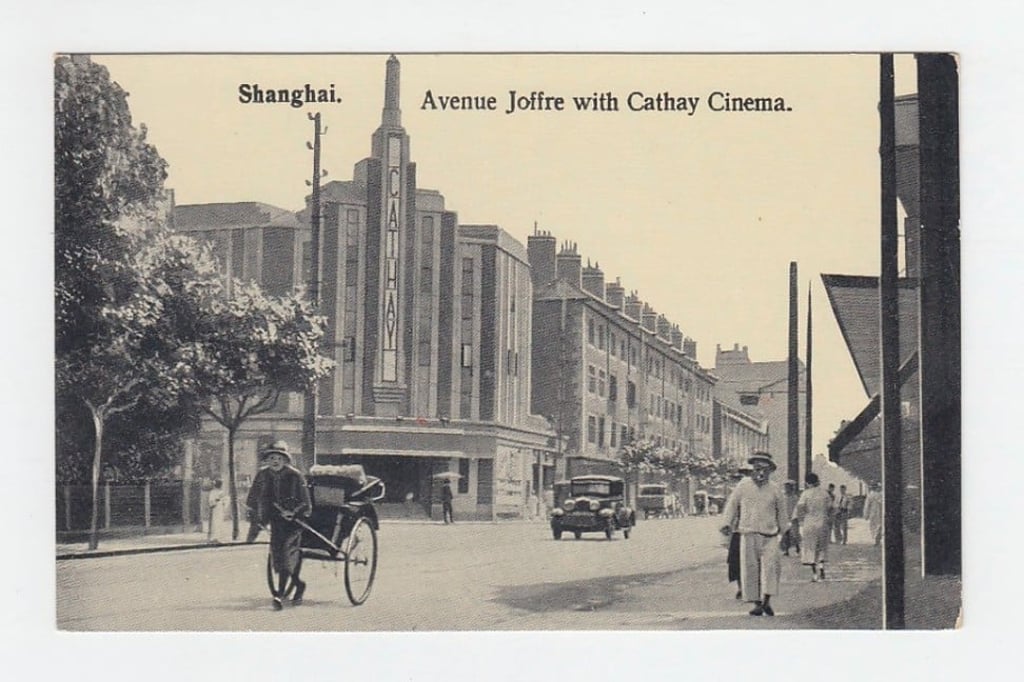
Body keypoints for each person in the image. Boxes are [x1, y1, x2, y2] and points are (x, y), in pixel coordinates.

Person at [720, 452, 788, 617]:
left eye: (765, 470)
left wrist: (785, 532)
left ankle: (766, 601)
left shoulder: (775, 489)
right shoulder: (743, 485)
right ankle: (757, 604)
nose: (761, 473)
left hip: (769, 536)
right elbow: (732, 506)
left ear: (770, 471)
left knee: (770, 568)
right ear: (752, 469)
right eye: (757, 468)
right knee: (751, 570)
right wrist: (726, 524)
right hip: (748, 534)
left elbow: (782, 513)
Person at [251, 440, 311, 611]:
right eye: (271, 458)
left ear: (285, 460)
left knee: (285, 555)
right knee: (277, 557)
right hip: (276, 522)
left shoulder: (295, 475)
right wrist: (254, 512)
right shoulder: (263, 475)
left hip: (295, 524)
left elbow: (306, 501)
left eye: (279, 458)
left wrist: (295, 512)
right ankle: (299, 585)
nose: (275, 461)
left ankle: (279, 594)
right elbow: (254, 495)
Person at [793, 472, 830, 582]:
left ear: (807, 482)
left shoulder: (806, 494)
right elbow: (831, 507)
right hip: (823, 522)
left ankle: (814, 574)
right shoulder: (825, 493)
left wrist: (800, 520)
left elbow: (800, 508)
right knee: (822, 546)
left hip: (809, 522)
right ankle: (822, 566)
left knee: (811, 547)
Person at [724, 467, 752, 599]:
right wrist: (727, 524)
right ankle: (741, 588)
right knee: (736, 561)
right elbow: (731, 509)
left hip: (755, 530)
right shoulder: (737, 492)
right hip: (738, 531)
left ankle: (751, 588)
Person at [244, 464, 270, 543]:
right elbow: (255, 489)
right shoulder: (263, 473)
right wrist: (250, 504)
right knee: (256, 524)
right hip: (263, 504)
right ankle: (249, 542)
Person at [780, 480, 801, 557]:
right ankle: (786, 550)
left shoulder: (795, 497)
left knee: (795, 534)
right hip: (785, 517)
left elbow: (797, 508)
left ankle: (797, 547)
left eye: (788, 487)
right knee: (785, 534)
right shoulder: (783, 497)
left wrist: (796, 516)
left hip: (793, 518)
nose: (786, 489)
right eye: (786, 487)